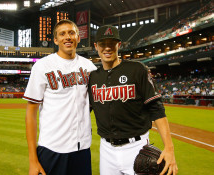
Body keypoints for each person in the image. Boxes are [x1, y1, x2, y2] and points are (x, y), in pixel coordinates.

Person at [88, 25, 178, 175]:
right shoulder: (93, 77)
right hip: (106, 150)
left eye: (112, 43)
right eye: (103, 44)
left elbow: (156, 109)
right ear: (96, 46)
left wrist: (169, 148)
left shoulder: (137, 69)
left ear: (119, 45)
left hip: (136, 148)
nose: (107, 48)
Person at [23, 19, 97, 175]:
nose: (67, 37)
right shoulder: (42, 66)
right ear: (56, 40)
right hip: (52, 148)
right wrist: (32, 160)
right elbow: (30, 113)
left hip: (82, 149)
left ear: (78, 37)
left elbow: (93, 103)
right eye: (62, 34)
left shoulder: (90, 67)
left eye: (71, 33)